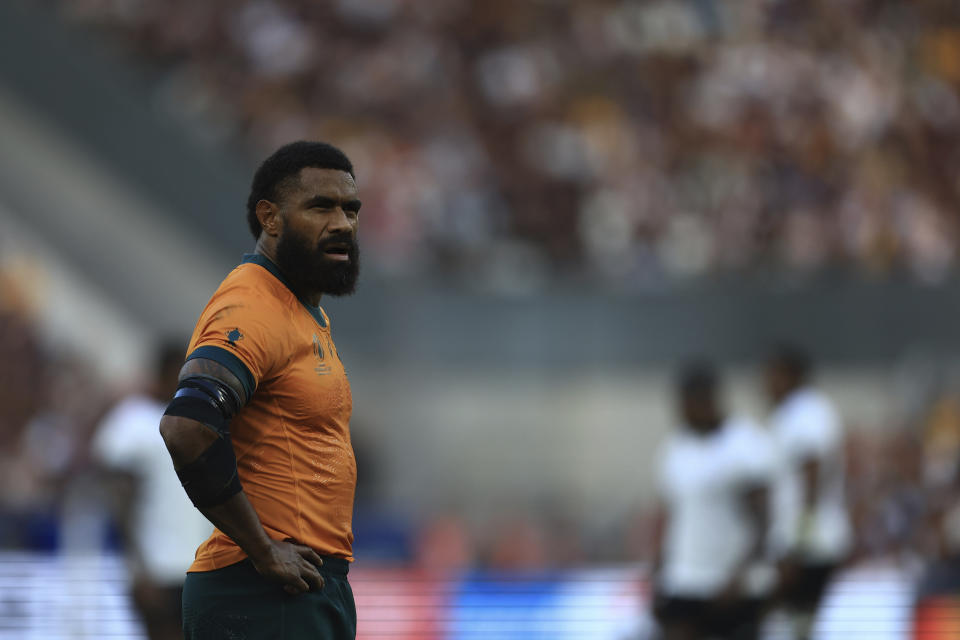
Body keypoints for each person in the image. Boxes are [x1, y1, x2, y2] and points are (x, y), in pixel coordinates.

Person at [159, 141, 362, 639]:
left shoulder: (302, 310)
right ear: (270, 218)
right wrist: (263, 549)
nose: (343, 223)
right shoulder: (251, 305)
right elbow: (188, 426)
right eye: (321, 206)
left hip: (300, 586)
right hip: (262, 593)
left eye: (350, 209)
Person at [92, 341, 213, 640]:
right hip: (157, 569)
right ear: (161, 375)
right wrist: (139, 569)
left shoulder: (204, 419)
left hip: (201, 567)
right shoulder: (133, 421)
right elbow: (120, 502)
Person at [651, 361, 776, 640]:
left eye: (686, 404)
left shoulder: (745, 444)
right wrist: (657, 570)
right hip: (684, 577)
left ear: (706, 400)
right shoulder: (675, 448)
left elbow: (764, 518)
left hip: (730, 585)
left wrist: (741, 575)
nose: (681, 413)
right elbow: (672, 515)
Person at [765, 345, 852, 640]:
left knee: (790, 616)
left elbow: (812, 475)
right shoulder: (802, 412)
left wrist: (799, 544)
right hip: (806, 538)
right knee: (801, 622)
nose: (766, 384)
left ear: (793, 376)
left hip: (808, 541)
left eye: (772, 375)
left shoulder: (805, 412)